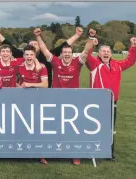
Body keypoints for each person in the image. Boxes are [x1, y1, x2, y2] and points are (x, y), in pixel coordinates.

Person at [36, 28, 98, 165]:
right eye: (65, 52)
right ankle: (44, 153)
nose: (67, 54)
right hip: (56, 101)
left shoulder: (77, 62)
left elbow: (87, 50)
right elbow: (44, 49)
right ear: (61, 54)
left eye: (69, 52)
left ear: (72, 53)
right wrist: (38, 37)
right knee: (51, 128)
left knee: (73, 128)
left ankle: (75, 155)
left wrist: (91, 36)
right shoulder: (55, 62)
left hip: (72, 102)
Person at [86, 37, 136, 160]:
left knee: (110, 129)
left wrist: (133, 46)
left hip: (112, 102)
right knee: (94, 127)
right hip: (96, 101)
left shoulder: (117, 65)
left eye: (108, 51)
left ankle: (109, 152)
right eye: (103, 51)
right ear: (98, 53)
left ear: (111, 53)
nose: (106, 53)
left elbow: (130, 60)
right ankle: (92, 150)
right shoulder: (94, 64)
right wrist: (91, 43)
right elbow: (87, 55)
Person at [0, 26, 83, 88]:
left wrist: (77, 35)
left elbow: (64, 46)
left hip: (44, 90)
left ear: (40, 46)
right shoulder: (24, 55)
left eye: (35, 44)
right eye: (31, 44)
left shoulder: (47, 55)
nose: (33, 46)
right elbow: (10, 47)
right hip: (25, 91)